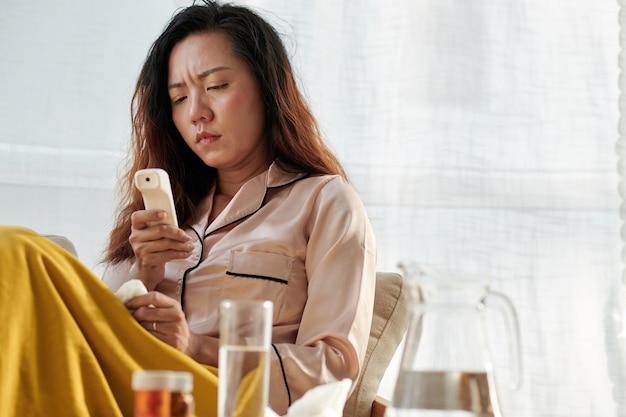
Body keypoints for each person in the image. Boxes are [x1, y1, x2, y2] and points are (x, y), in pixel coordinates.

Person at [0, 1, 375, 416]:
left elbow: (334, 371)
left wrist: (195, 346)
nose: (196, 112)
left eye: (215, 87)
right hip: (131, 394)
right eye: (178, 97)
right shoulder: (166, 210)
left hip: (224, 401)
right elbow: (93, 342)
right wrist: (145, 273)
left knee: (14, 248)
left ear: (268, 89)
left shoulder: (325, 201)